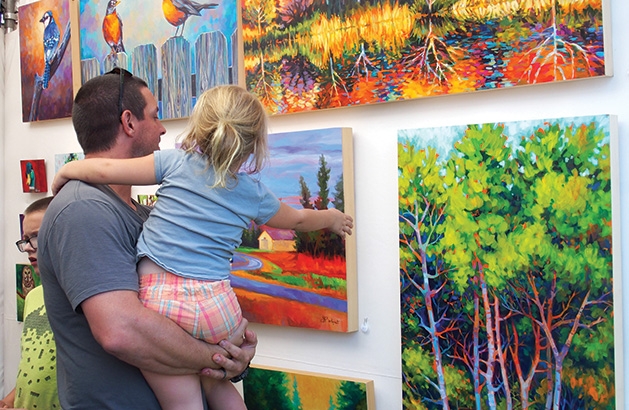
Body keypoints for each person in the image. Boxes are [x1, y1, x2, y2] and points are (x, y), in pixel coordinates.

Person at [52, 84, 354, 410]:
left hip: (164, 303)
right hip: (220, 307)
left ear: (201, 127)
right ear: (252, 143)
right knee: (220, 390)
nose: (163, 125)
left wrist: (66, 170)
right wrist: (332, 217)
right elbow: (297, 219)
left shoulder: (175, 163)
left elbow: (102, 168)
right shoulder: (253, 193)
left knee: (185, 403)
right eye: (156, 115)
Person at [38, 69, 255, 410]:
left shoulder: (138, 213)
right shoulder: (83, 210)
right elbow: (122, 331)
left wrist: (231, 359)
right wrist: (220, 357)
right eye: (155, 116)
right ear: (128, 122)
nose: (164, 128)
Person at [1, 196, 60, 410]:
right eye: (25, 239)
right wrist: (8, 401)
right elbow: (33, 369)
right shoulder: (33, 296)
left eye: (36, 237)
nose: (27, 247)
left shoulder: (87, 300)